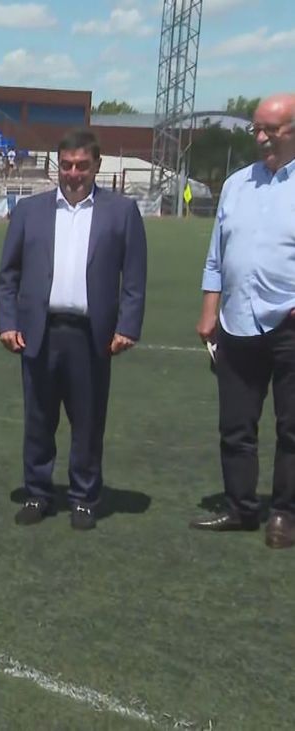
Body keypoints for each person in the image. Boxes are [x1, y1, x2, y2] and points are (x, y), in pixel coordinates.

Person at [0, 128, 147, 530]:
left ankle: (83, 496)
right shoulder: (30, 211)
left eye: (82, 165)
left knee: (88, 420)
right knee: (38, 419)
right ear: (57, 167)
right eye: (66, 165)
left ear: (96, 165)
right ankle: (38, 492)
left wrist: (127, 325)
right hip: (38, 331)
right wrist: (7, 321)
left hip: (91, 334)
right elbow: (8, 274)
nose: (73, 173)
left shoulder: (121, 211)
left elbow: (133, 277)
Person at [193, 93, 295, 548]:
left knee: (292, 428)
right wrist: (209, 310)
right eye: (256, 129)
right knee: (236, 424)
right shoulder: (236, 185)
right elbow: (217, 254)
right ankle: (241, 507)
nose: (260, 138)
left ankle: (285, 515)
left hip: (289, 325)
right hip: (236, 322)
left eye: (271, 130)